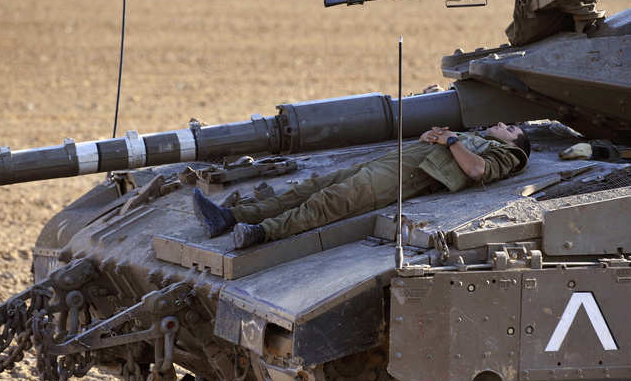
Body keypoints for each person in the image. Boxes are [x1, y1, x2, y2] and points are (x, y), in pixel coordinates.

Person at [193, 123, 530, 249]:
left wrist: (452, 139)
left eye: (511, 127)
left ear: (516, 142)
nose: (502, 125)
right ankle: (230, 216)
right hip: (387, 164)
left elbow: (475, 170)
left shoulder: (508, 155)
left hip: (401, 179)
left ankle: (260, 232)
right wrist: (434, 138)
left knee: (328, 202)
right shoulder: (476, 138)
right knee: (307, 190)